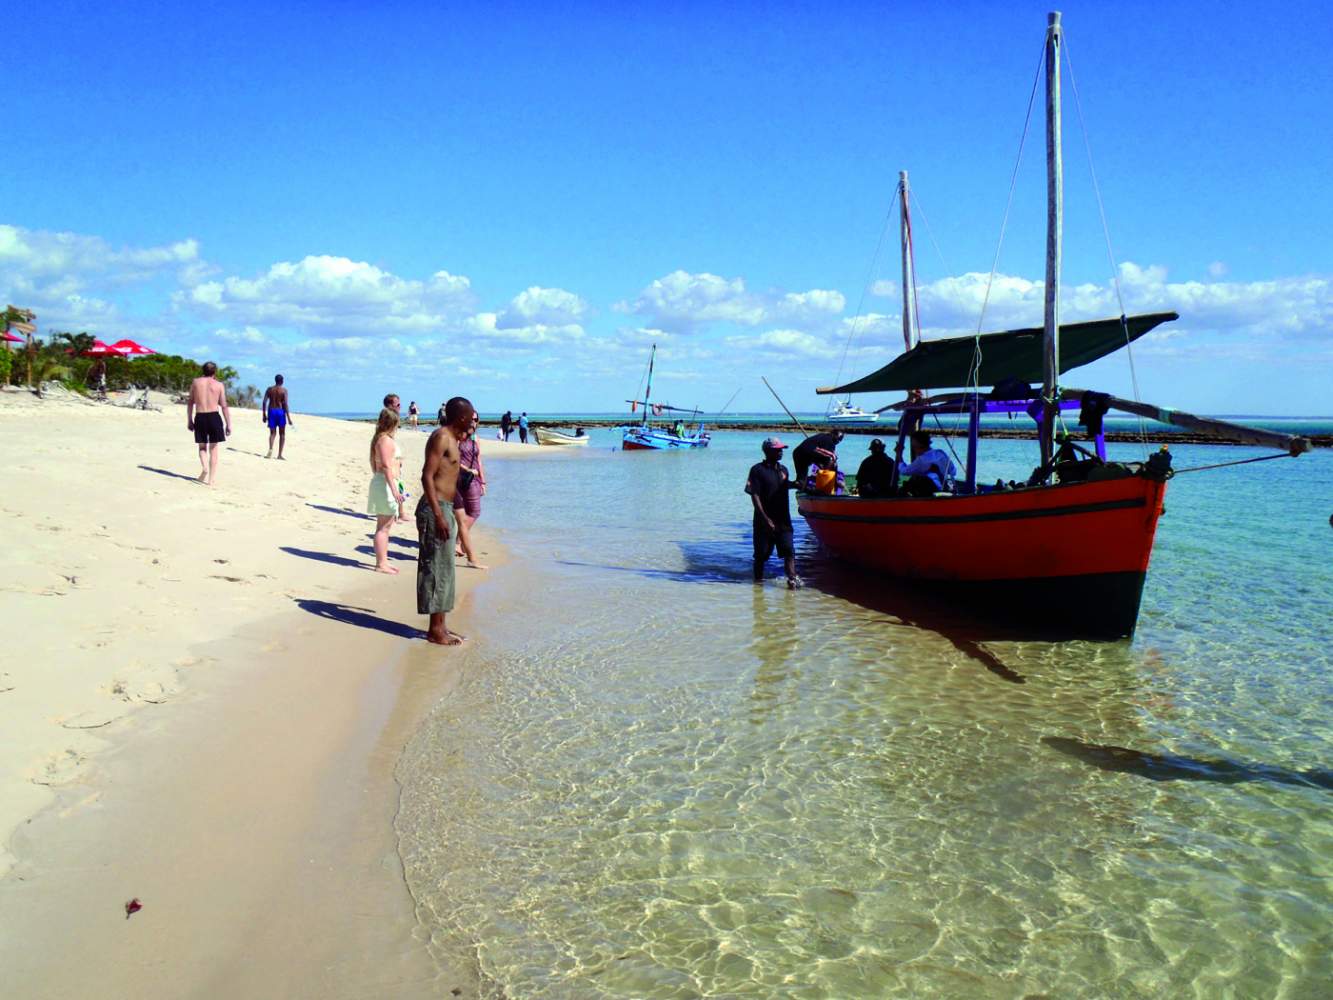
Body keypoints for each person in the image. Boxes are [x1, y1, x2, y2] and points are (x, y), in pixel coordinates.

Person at [418, 396, 476, 645]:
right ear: (461, 417)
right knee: (435, 568)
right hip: (435, 509)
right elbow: (426, 476)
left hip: (445, 507)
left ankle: (440, 625)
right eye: (471, 416)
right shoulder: (441, 437)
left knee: (445, 570)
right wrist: (439, 515)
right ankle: (434, 631)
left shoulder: (453, 438)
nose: (473, 419)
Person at [746, 436, 802, 589]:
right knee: (761, 556)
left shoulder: (783, 470)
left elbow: (782, 486)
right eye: (777, 450)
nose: (781, 453)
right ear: (767, 451)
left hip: (783, 520)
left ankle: (792, 580)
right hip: (763, 521)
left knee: (789, 551)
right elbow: (754, 495)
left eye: (782, 450)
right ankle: (757, 586)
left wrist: (795, 485)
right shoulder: (757, 470)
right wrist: (765, 519)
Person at [367, 407, 406, 574]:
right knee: (384, 526)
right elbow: (385, 466)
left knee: (386, 525)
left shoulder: (382, 439)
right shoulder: (385, 440)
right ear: (392, 424)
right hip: (385, 484)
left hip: (386, 483)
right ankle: (380, 563)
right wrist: (394, 489)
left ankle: (382, 561)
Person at [452, 410, 488, 569]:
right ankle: (457, 542)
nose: (473, 422)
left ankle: (457, 543)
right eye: (471, 419)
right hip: (461, 478)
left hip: (474, 479)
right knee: (474, 511)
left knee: (469, 512)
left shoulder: (476, 438)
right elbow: (453, 459)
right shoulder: (459, 438)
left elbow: (479, 460)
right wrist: (467, 469)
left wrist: (483, 481)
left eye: (476, 419)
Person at [186, 361, 231, 486]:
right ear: (215, 372)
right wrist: (228, 423)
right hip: (214, 417)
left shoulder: (196, 382)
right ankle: (211, 479)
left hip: (200, 416)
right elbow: (224, 406)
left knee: (202, 447)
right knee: (214, 449)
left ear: (203, 371)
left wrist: (189, 419)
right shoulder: (219, 385)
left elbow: (190, 402)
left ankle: (205, 468)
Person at [898, 430, 957, 497]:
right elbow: (954, 471)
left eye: (913, 446)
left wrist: (899, 455)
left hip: (934, 492)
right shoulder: (940, 453)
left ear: (919, 445)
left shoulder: (922, 460)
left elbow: (904, 471)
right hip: (949, 489)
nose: (913, 449)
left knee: (913, 481)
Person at [262, 373, 293, 459]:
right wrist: (289, 418)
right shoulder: (284, 391)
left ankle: (271, 449)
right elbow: (285, 404)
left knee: (272, 433)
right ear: (282, 381)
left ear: (275, 380)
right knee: (282, 434)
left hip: (271, 411)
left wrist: (264, 415)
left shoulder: (269, 389)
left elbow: (264, 402)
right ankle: (279, 455)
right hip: (280, 412)